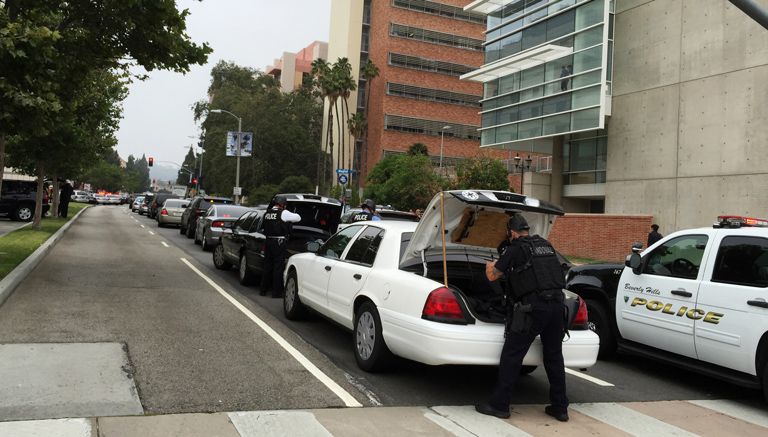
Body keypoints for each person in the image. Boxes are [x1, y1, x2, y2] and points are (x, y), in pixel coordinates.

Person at [476, 214, 569, 422]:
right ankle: (560, 408)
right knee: (554, 357)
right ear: (527, 229)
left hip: (533, 308)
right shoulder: (545, 245)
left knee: (512, 355)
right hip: (557, 306)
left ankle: (499, 405)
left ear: (511, 232)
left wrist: (489, 265)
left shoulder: (515, 248)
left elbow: (493, 276)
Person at [260, 195, 301, 298]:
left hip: (268, 240)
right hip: (278, 242)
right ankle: (276, 292)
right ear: (283, 204)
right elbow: (298, 218)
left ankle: (263, 290)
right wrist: (290, 212)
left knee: (267, 266)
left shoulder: (267, 213)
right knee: (278, 267)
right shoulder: (284, 213)